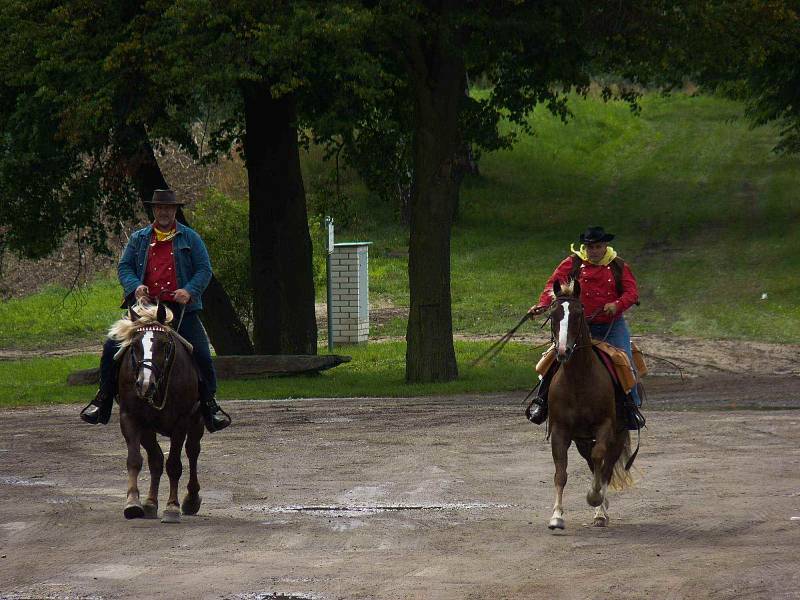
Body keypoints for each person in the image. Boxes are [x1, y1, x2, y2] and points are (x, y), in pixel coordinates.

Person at [80, 189, 231, 432]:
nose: (164, 212)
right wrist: (135, 286)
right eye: (160, 208)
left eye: (168, 208)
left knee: (201, 352)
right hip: (145, 308)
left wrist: (189, 291)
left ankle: (209, 405)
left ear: (175, 211)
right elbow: (124, 267)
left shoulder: (191, 238)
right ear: (153, 210)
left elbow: (204, 269)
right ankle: (103, 399)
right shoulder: (139, 239)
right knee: (111, 346)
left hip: (181, 309)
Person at [526, 226, 645, 429]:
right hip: (579, 325)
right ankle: (542, 401)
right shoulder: (572, 263)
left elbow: (632, 293)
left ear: (605, 246)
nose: (593, 251)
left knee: (624, 361)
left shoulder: (619, 266)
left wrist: (616, 305)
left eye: (597, 247)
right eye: (590, 247)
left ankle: (630, 407)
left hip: (611, 325)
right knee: (554, 357)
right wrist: (543, 305)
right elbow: (552, 285)